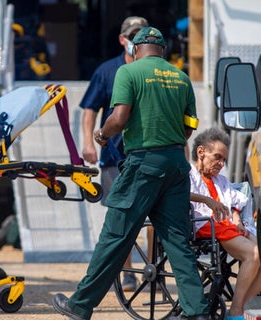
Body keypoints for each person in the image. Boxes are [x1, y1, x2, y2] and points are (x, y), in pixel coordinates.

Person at [52, 26, 210, 320]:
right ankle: (197, 311)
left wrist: (101, 135)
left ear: (136, 50)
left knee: (115, 234)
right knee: (177, 240)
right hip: (176, 163)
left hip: (143, 164)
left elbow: (119, 118)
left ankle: (80, 304)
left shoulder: (129, 72)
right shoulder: (181, 77)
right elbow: (189, 128)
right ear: (162, 51)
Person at [79, 15, 149, 292]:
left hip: (146, 154)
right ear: (122, 39)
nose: (136, 40)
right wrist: (88, 143)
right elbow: (89, 109)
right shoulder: (107, 71)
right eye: (132, 35)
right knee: (122, 216)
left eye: (142, 34)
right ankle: (128, 273)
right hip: (113, 157)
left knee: (153, 218)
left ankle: (150, 271)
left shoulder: (155, 71)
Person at [189, 127, 261, 320]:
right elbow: (178, 194)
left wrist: (238, 221)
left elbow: (236, 202)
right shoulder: (188, 174)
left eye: (224, 160)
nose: (221, 164)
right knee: (254, 254)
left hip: (226, 226)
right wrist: (206, 200)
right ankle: (237, 310)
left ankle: (241, 307)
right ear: (201, 152)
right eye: (217, 157)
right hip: (206, 225)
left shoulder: (221, 180)